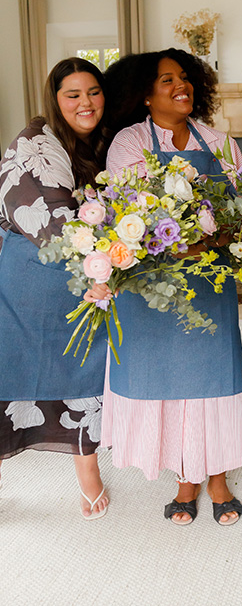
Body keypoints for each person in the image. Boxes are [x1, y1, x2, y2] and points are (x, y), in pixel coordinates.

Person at [100, 48, 242, 526]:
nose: (179, 86)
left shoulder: (219, 142)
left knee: (214, 380)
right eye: (166, 80)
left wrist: (211, 238)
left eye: (184, 77)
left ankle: (218, 477)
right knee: (172, 382)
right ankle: (186, 478)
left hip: (209, 280)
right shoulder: (128, 143)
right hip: (152, 287)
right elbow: (128, 213)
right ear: (145, 94)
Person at [0, 58, 111, 519]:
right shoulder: (34, 144)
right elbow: (49, 222)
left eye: (94, 92)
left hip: (81, 275)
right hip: (31, 275)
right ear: (55, 99)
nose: (86, 103)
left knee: (84, 372)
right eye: (73, 94)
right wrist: (102, 267)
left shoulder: (99, 141)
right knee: (11, 374)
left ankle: (88, 472)